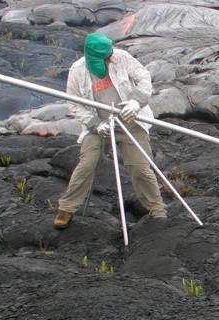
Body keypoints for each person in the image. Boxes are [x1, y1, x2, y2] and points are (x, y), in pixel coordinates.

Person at [53, 32, 166, 229]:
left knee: (140, 167)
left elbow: (143, 77)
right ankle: (67, 208)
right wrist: (94, 123)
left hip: (130, 119)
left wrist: (136, 101)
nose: (109, 58)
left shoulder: (121, 57)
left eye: (109, 54)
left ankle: (157, 211)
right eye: (105, 57)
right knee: (88, 163)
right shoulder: (78, 70)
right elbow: (73, 103)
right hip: (98, 126)